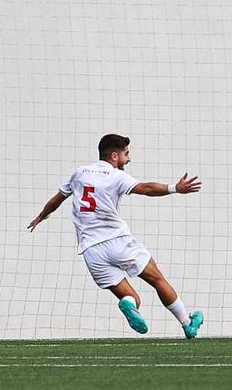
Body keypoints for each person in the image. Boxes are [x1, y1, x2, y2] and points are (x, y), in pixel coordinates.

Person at [28, 134, 204, 337]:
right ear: (114, 156)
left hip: (91, 250)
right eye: (126, 154)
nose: (128, 159)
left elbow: (57, 199)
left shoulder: (79, 174)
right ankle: (187, 323)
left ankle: (129, 304)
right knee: (157, 279)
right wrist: (175, 188)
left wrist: (41, 216)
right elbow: (146, 189)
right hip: (117, 241)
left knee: (132, 299)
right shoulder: (115, 176)